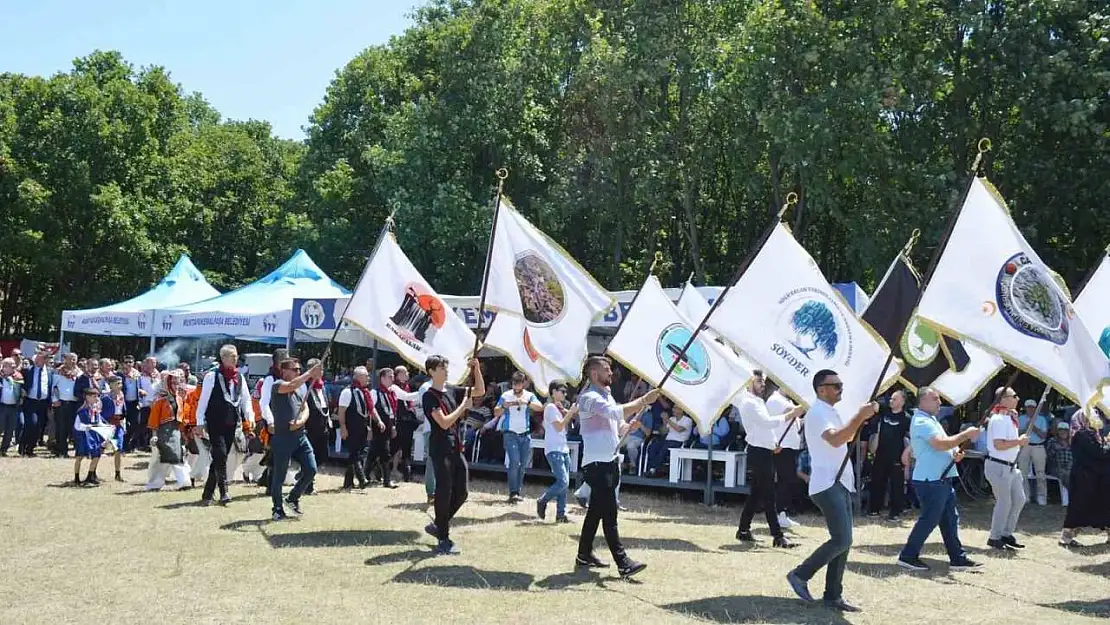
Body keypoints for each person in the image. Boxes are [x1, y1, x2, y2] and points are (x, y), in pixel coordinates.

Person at [786, 369, 878, 613]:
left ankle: (833, 595)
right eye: (835, 385)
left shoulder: (830, 412)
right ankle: (799, 574)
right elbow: (837, 440)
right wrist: (859, 415)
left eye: (841, 384)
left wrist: (859, 419)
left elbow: (842, 439)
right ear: (821, 389)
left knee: (844, 542)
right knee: (842, 539)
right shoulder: (817, 412)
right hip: (827, 483)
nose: (840, 388)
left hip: (839, 482)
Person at [575, 356, 655, 578]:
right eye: (606, 369)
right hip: (597, 464)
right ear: (593, 374)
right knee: (609, 514)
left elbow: (616, 425)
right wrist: (642, 401)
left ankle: (584, 554)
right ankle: (623, 562)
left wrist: (626, 427)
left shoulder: (607, 396)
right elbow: (613, 413)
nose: (611, 373)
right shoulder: (588, 397)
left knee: (596, 512)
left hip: (609, 461)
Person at [895, 387, 982, 571]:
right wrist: (965, 435)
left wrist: (954, 454)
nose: (939, 402)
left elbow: (943, 445)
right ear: (922, 402)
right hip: (930, 479)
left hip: (941, 478)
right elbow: (939, 444)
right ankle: (908, 555)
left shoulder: (931, 420)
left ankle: (957, 558)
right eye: (935, 399)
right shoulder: (921, 421)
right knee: (930, 519)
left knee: (949, 519)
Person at [422, 354, 484, 556]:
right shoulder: (429, 396)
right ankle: (443, 537)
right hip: (440, 449)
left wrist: (476, 369)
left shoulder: (452, 389)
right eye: (442, 368)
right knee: (444, 490)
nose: (446, 371)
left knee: (462, 492)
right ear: (431, 371)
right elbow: (444, 422)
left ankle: (439, 524)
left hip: (455, 447)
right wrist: (462, 408)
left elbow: (479, 390)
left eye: (446, 367)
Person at [737, 370, 805, 547]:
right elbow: (767, 423)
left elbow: (764, 428)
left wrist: (774, 442)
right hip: (758, 451)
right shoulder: (749, 403)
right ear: (749, 382)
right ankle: (778, 536)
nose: (762, 384)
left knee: (757, 493)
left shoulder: (758, 401)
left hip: (764, 449)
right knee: (768, 494)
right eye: (759, 381)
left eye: (764, 381)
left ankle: (743, 529)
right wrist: (791, 414)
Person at [196, 345, 254, 505]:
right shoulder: (212, 376)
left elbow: (246, 399)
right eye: (231, 356)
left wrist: (250, 417)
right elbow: (203, 401)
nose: (235, 359)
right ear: (223, 358)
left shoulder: (239, 377)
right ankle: (224, 490)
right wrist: (199, 422)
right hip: (215, 422)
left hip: (231, 423)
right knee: (220, 454)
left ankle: (207, 493)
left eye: (236, 356)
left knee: (220, 458)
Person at [269, 357, 321, 520]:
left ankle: (293, 498)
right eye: (295, 369)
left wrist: (300, 422)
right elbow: (291, 385)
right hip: (283, 438)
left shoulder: (302, 386)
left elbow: (305, 408)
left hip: (300, 436)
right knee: (279, 476)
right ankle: (277, 508)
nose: (298, 372)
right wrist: (309, 373)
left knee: (311, 469)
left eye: (300, 369)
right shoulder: (277, 385)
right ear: (284, 371)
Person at [983, 387, 1029, 550]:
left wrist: (1018, 441)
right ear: (1003, 399)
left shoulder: (1010, 418)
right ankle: (994, 537)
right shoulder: (999, 419)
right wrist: (1019, 441)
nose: (1017, 398)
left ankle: (1006, 533)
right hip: (998, 465)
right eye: (1014, 396)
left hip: (1010, 466)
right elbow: (999, 444)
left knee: (1019, 499)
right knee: (1004, 502)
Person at [1059, 409, 1110, 546]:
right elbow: (1100, 452)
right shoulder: (1082, 434)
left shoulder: (1092, 433)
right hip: (1085, 477)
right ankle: (1066, 538)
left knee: (1104, 506)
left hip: (1097, 477)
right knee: (1078, 507)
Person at [495, 371, 542, 503]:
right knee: (514, 462)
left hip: (525, 435)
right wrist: (505, 406)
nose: (517, 385)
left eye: (520, 382)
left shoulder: (529, 395)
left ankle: (518, 490)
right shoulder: (506, 395)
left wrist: (526, 403)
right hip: (510, 433)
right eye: (515, 382)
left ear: (524, 383)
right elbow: (496, 411)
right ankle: (513, 492)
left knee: (522, 464)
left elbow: (539, 407)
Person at [537, 380, 578, 523]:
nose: (565, 394)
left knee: (564, 485)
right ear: (553, 392)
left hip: (563, 448)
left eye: (566, 392)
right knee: (563, 482)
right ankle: (542, 501)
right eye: (562, 391)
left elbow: (570, 421)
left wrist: (568, 412)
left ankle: (561, 515)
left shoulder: (558, 408)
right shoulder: (550, 407)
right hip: (554, 449)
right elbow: (560, 426)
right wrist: (570, 412)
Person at [867, 390, 911, 520]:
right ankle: (874, 510)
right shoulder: (884, 411)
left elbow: (912, 437)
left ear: (902, 401)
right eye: (891, 399)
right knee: (877, 482)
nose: (891, 401)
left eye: (895, 399)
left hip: (897, 456)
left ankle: (895, 512)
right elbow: (874, 405)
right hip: (880, 454)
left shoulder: (906, 418)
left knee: (896, 485)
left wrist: (907, 454)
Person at [144, 370, 190, 491]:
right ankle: (156, 483)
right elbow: (153, 418)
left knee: (176, 456)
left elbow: (183, 417)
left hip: (176, 431)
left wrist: (184, 432)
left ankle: (183, 482)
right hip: (163, 432)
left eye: (177, 382)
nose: (176, 385)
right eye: (173, 382)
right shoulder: (160, 400)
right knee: (164, 458)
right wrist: (154, 434)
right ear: (167, 383)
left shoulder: (180, 399)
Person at [767, 380, 804, 528]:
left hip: (790, 446)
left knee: (787, 480)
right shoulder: (775, 400)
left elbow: (798, 420)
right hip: (782, 447)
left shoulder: (786, 400)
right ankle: (779, 513)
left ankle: (782, 513)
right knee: (785, 480)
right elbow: (795, 411)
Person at [337, 366, 373, 490]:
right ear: (358, 377)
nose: (368, 378)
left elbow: (367, 411)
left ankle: (348, 482)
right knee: (355, 454)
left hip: (362, 427)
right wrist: (343, 427)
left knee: (359, 453)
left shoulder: (364, 392)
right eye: (366, 375)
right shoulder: (348, 392)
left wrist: (368, 426)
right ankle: (362, 479)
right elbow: (341, 411)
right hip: (351, 428)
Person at [303, 358, 331, 495]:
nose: (322, 371)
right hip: (310, 426)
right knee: (311, 456)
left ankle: (303, 476)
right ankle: (308, 485)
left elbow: (325, 405)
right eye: (319, 368)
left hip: (323, 425)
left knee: (322, 456)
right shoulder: (304, 386)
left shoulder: (322, 386)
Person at [1017, 398, 1050, 506]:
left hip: (1038, 446)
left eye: (1032, 407)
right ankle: (1025, 496)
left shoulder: (1041, 419)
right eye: (1028, 407)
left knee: (1040, 473)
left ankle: (1042, 497)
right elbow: (1017, 434)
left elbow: (1044, 436)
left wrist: (1034, 427)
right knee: (1022, 472)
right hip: (1024, 446)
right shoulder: (1020, 419)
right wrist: (1026, 428)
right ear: (1025, 408)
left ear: (1035, 409)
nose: (1030, 409)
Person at [369, 368, 399, 489]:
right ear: (382, 378)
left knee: (376, 453)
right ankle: (386, 480)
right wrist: (371, 427)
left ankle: (365, 476)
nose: (392, 378)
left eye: (393, 376)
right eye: (389, 376)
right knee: (384, 453)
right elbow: (371, 410)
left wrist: (393, 426)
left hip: (387, 425)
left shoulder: (390, 393)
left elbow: (391, 412)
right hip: (377, 427)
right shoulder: (375, 392)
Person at [391, 365, 420, 483]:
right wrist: (423, 391)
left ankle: (407, 474)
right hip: (398, 421)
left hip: (407, 422)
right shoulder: (394, 387)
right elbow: (406, 397)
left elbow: (410, 401)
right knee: (394, 448)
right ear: (398, 375)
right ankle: (381, 469)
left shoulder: (406, 386)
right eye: (405, 373)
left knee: (406, 448)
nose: (407, 374)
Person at [20, 351, 52, 457]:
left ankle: (30, 449)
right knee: (31, 424)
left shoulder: (50, 372)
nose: (37, 360)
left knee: (39, 426)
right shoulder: (28, 371)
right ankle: (23, 447)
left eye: (41, 358)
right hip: (31, 402)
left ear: (45, 360)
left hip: (43, 403)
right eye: (37, 358)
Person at [72, 386, 106, 486]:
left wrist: (107, 426)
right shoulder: (81, 411)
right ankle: (76, 478)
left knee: (96, 455)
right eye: (94, 396)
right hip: (83, 436)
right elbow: (77, 426)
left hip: (93, 436)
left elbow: (99, 422)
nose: (97, 399)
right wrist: (86, 427)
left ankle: (90, 476)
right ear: (88, 397)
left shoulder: (96, 410)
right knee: (79, 457)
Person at [52, 353, 81, 458]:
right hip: (61, 403)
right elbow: (53, 387)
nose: (73, 361)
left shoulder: (79, 373)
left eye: (74, 359)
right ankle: (61, 451)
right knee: (61, 428)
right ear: (65, 360)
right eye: (70, 359)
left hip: (74, 403)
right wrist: (55, 400)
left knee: (72, 428)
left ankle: (74, 449)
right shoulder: (58, 371)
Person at [101, 375, 127, 481]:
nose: (120, 386)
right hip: (108, 424)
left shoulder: (121, 395)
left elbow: (123, 410)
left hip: (118, 423)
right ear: (111, 385)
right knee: (101, 448)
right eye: (117, 383)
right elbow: (101, 412)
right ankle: (92, 472)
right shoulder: (105, 397)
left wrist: (124, 422)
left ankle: (118, 473)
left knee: (118, 449)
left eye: (121, 383)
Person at [1046, 421, 1073, 507]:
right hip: (1056, 467)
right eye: (1061, 430)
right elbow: (1048, 456)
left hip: (1070, 466)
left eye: (1065, 430)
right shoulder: (1052, 441)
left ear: (1069, 431)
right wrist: (1056, 449)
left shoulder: (1072, 442)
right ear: (1057, 431)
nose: (1063, 432)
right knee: (1067, 475)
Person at [137, 357, 160, 451]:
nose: (152, 365)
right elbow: (137, 388)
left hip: (155, 404)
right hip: (144, 404)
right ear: (145, 364)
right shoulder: (140, 376)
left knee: (153, 425)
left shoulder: (158, 375)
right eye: (150, 363)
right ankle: (142, 444)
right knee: (143, 425)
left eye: (154, 363)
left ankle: (151, 444)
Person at [120, 356, 142, 452]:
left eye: (130, 362)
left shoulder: (137, 375)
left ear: (133, 363)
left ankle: (129, 444)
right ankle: (121, 445)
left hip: (134, 403)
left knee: (134, 424)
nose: (128, 364)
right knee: (122, 425)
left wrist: (141, 394)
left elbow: (138, 387)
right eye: (126, 362)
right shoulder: (119, 374)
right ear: (123, 363)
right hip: (122, 403)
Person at [0, 358, 22, 456]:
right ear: (4, 367)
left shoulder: (18, 376)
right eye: (10, 365)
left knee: (10, 429)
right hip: (2, 406)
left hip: (14, 407)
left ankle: (3, 450)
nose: (13, 366)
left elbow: (22, 390)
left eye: (14, 365)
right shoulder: (0, 377)